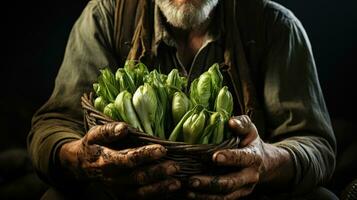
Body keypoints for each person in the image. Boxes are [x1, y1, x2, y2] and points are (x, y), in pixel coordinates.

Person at [28, 0, 338, 199]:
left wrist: (266, 161)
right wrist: (82, 158)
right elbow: (53, 124)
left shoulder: (276, 27)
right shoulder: (105, 15)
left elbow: (316, 143)